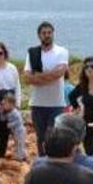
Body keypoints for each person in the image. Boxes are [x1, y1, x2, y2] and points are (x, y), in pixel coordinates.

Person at [23, 21, 70, 156]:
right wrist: (49, 76)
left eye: (49, 32)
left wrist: (38, 77)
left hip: (56, 104)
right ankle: (43, 163)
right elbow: (27, 78)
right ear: (39, 35)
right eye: (44, 33)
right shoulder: (32, 53)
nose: (47, 35)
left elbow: (59, 73)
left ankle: (53, 162)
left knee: (53, 137)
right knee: (40, 138)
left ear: (53, 34)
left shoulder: (61, 51)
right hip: (37, 104)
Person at [0, 93, 29, 162]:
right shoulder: (7, 112)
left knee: (20, 144)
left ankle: (19, 157)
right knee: (18, 143)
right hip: (15, 132)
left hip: (20, 131)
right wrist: (1, 112)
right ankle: (23, 155)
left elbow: (19, 121)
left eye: (5, 104)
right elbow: (3, 119)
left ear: (11, 104)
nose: (3, 106)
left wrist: (9, 125)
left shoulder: (15, 112)